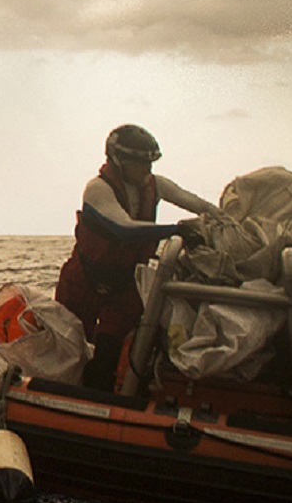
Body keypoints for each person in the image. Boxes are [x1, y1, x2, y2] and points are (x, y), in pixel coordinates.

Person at [54, 124, 222, 390]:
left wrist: (225, 218)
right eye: (141, 163)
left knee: (109, 355)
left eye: (150, 163)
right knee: (65, 351)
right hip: (83, 282)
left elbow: (198, 204)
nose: (147, 170)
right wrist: (178, 230)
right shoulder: (98, 189)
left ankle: (101, 403)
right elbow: (124, 229)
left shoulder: (155, 185)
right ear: (118, 160)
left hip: (124, 286)